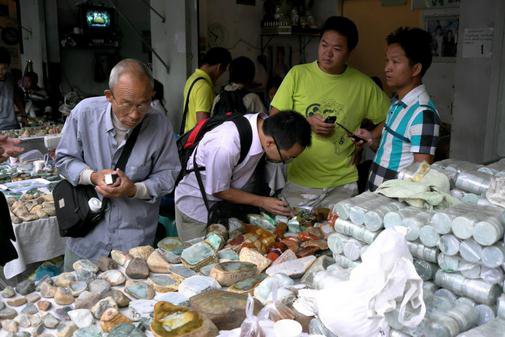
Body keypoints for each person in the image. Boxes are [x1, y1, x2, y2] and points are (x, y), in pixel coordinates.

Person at [56, 59, 180, 270]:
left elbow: (169, 174)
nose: (134, 114)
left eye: (142, 104)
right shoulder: (84, 114)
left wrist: (134, 189)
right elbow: (63, 159)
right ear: (109, 96)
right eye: (126, 104)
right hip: (87, 236)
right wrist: (92, 176)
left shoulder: (159, 125)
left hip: (133, 242)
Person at [270, 16, 389, 208]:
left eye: (337, 49)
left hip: (343, 184)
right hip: (301, 180)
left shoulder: (363, 84)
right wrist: (305, 122)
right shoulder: (298, 75)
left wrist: (369, 137)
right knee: (293, 234)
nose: (327, 54)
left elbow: (393, 116)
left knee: (340, 236)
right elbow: (274, 118)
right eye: (324, 45)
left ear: (349, 52)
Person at [174, 111, 312, 242]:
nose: (285, 161)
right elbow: (219, 190)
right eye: (286, 157)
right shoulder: (226, 145)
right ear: (270, 143)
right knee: (200, 259)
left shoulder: (262, 127)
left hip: (222, 208)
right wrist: (263, 202)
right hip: (196, 209)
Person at [356, 27, 440, 191]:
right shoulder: (397, 105)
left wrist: (398, 202)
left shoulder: (423, 113)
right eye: (387, 60)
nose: (387, 67)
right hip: (375, 197)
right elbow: (390, 152)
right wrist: (371, 140)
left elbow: (422, 171)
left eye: (395, 62)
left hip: (391, 204)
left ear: (415, 69)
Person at [181, 47, 232, 133]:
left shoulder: (192, 78)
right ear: (219, 67)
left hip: (188, 136)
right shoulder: (204, 87)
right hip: (197, 142)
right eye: (223, 71)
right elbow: (202, 125)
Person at [0, 47, 25, 130]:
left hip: (13, 125)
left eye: (4, 68)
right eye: (0, 69)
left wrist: (23, 114)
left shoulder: (10, 78)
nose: (2, 72)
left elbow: (16, 97)